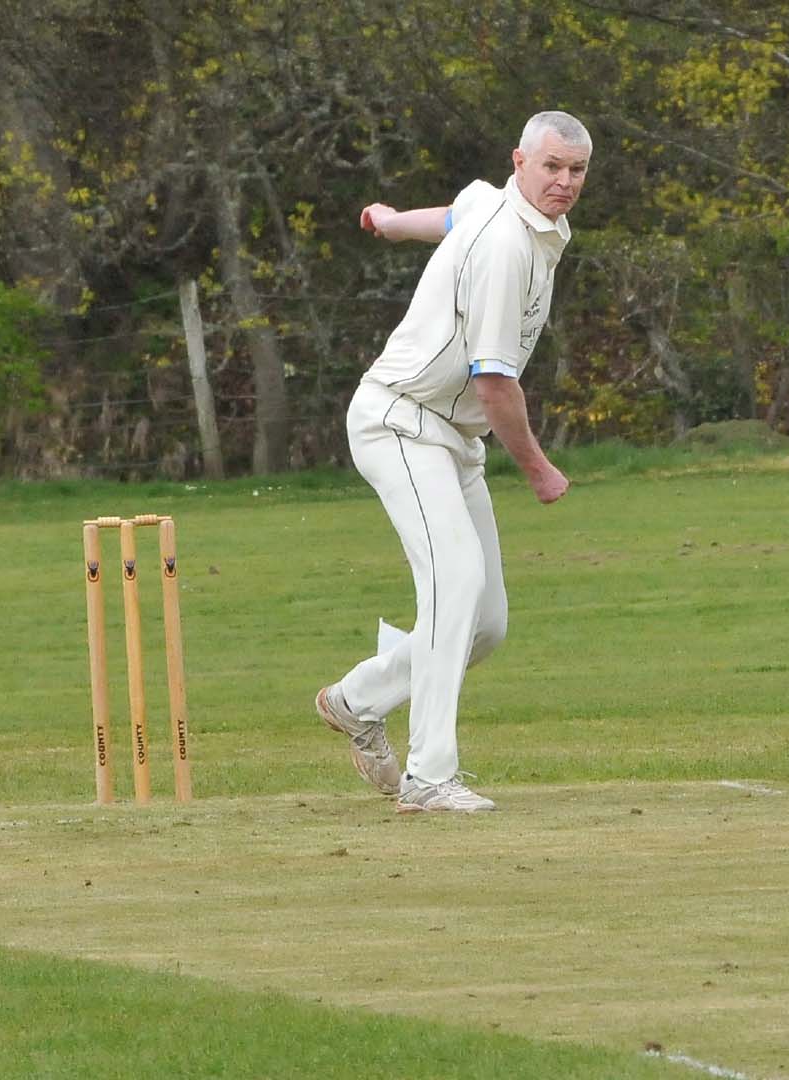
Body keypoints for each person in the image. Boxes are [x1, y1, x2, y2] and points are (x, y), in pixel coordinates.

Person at [313, 110, 590, 813]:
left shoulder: (497, 205)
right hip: (399, 421)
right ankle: (429, 777)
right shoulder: (506, 247)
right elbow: (495, 383)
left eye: (576, 170)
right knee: (456, 579)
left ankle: (357, 699)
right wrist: (539, 470)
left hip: (451, 438)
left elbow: (446, 216)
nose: (564, 181)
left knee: (485, 622)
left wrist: (388, 221)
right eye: (551, 167)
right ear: (520, 161)